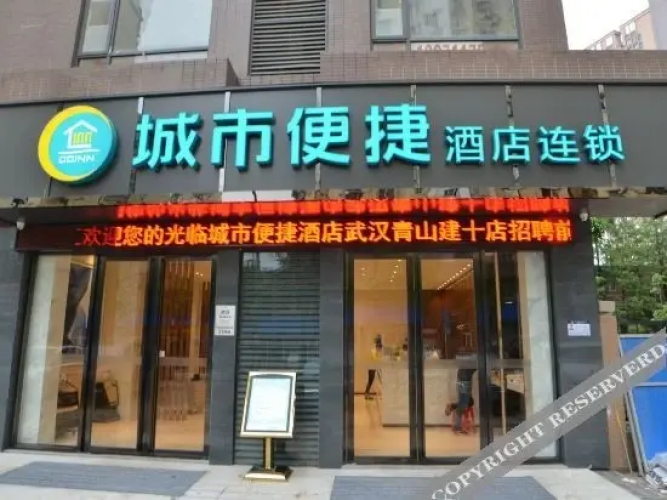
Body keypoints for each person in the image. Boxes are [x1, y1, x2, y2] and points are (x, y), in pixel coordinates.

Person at [446, 350, 477, 434]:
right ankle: (457, 426)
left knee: (466, 402)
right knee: (464, 404)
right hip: (464, 381)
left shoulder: (472, 357)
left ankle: (453, 407)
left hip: (462, 379)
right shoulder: (476, 358)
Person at [364, 334, 383, 400]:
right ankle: (366, 394)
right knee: (370, 381)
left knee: (371, 381)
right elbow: (375, 359)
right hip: (372, 367)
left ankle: (367, 394)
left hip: (373, 366)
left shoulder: (375, 350)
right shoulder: (374, 350)